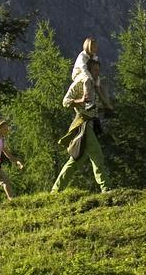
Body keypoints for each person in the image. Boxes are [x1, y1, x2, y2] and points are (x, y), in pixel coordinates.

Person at [52, 58, 111, 193]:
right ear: (88, 70)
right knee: (97, 155)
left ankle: (56, 190)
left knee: (75, 160)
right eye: (95, 70)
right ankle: (106, 187)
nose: (97, 73)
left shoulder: (94, 85)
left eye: (98, 70)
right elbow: (65, 102)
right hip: (83, 124)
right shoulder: (79, 83)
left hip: (91, 124)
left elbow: (94, 105)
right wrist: (81, 100)